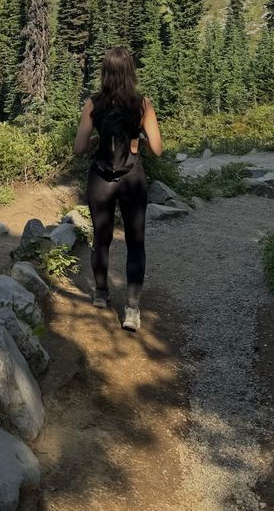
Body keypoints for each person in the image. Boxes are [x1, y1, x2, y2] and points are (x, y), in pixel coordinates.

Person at [73, 46, 163, 332]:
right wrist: (141, 141)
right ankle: (132, 310)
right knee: (135, 243)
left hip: (100, 180)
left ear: (105, 72)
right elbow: (158, 150)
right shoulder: (143, 105)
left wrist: (96, 142)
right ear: (130, 72)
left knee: (101, 238)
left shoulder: (93, 104)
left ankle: (101, 293)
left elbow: (79, 148)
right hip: (131, 179)